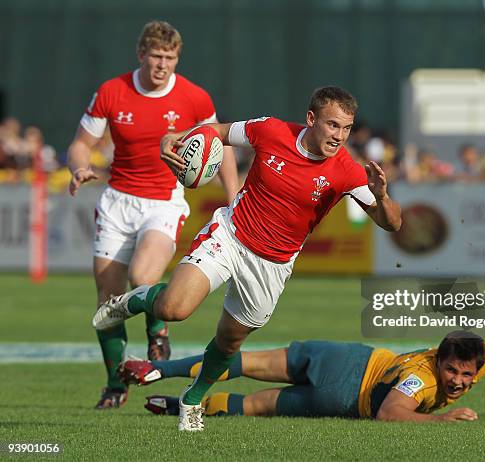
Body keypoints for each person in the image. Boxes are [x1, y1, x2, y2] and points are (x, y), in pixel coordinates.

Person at [92, 86, 402, 430]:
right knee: (172, 309)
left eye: (346, 128)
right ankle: (131, 302)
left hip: (272, 265)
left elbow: (392, 224)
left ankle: (192, 399)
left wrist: (382, 196)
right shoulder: (271, 130)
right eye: (332, 125)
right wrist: (176, 138)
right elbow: (217, 132)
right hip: (230, 234)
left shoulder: (349, 171)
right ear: (311, 119)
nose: (339, 136)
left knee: (228, 342)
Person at [67, 20, 239, 410]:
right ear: (141, 54)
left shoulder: (194, 98)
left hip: (163, 201)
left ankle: (157, 331)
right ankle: (115, 384)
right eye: (156, 56)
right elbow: (81, 143)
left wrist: (233, 196)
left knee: (143, 276)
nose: (163, 65)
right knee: (108, 296)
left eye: (170, 58)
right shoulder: (113, 92)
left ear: (178, 58)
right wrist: (80, 167)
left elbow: (222, 144)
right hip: (117, 201)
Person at [118, 331, 485, 422]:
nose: (456, 380)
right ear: (439, 362)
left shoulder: (475, 355)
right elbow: (392, 413)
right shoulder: (424, 379)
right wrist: (439, 420)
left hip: (342, 358)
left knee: (247, 364)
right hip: (342, 396)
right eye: (451, 370)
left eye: (464, 374)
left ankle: (166, 380)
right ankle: (174, 399)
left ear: (478, 367)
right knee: (254, 405)